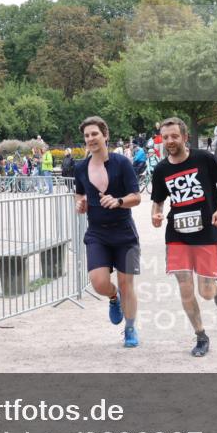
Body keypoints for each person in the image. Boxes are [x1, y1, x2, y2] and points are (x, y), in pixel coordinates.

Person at [150, 117, 217, 357]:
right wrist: (156, 215)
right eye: (165, 137)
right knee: (185, 287)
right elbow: (158, 200)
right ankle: (201, 335)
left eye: (174, 136)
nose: (170, 141)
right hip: (177, 234)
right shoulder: (161, 169)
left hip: (206, 231)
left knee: (205, 292)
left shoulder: (203, 159)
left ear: (185, 137)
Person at [73, 116, 142, 348]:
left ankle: (130, 328)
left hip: (124, 233)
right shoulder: (80, 167)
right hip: (97, 233)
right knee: (99, 282)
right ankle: (114, 298)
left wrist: (119, 201)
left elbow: (137, 197)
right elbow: (80, 193)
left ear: (105, 135)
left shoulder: (122, 163)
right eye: (87, 135)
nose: (91, 138)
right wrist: (80, 203)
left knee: (126, 283)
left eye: (95, 134)